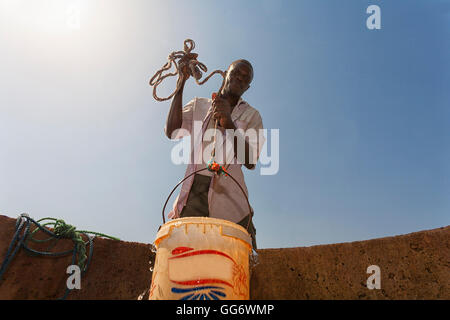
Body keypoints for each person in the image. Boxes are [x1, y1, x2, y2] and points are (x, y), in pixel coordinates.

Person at [164, 59, 265, 249]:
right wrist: (181, 82)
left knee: (244, 257)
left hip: (232, 201)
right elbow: (172, 131)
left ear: (248, 87)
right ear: (227, 72)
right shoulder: (199, 105)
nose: (240, 79)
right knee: (184, 258)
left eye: (246, 79)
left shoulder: (252, 116)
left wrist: (229, 123)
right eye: (236, 73)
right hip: (194, 195)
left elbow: (250, 161)